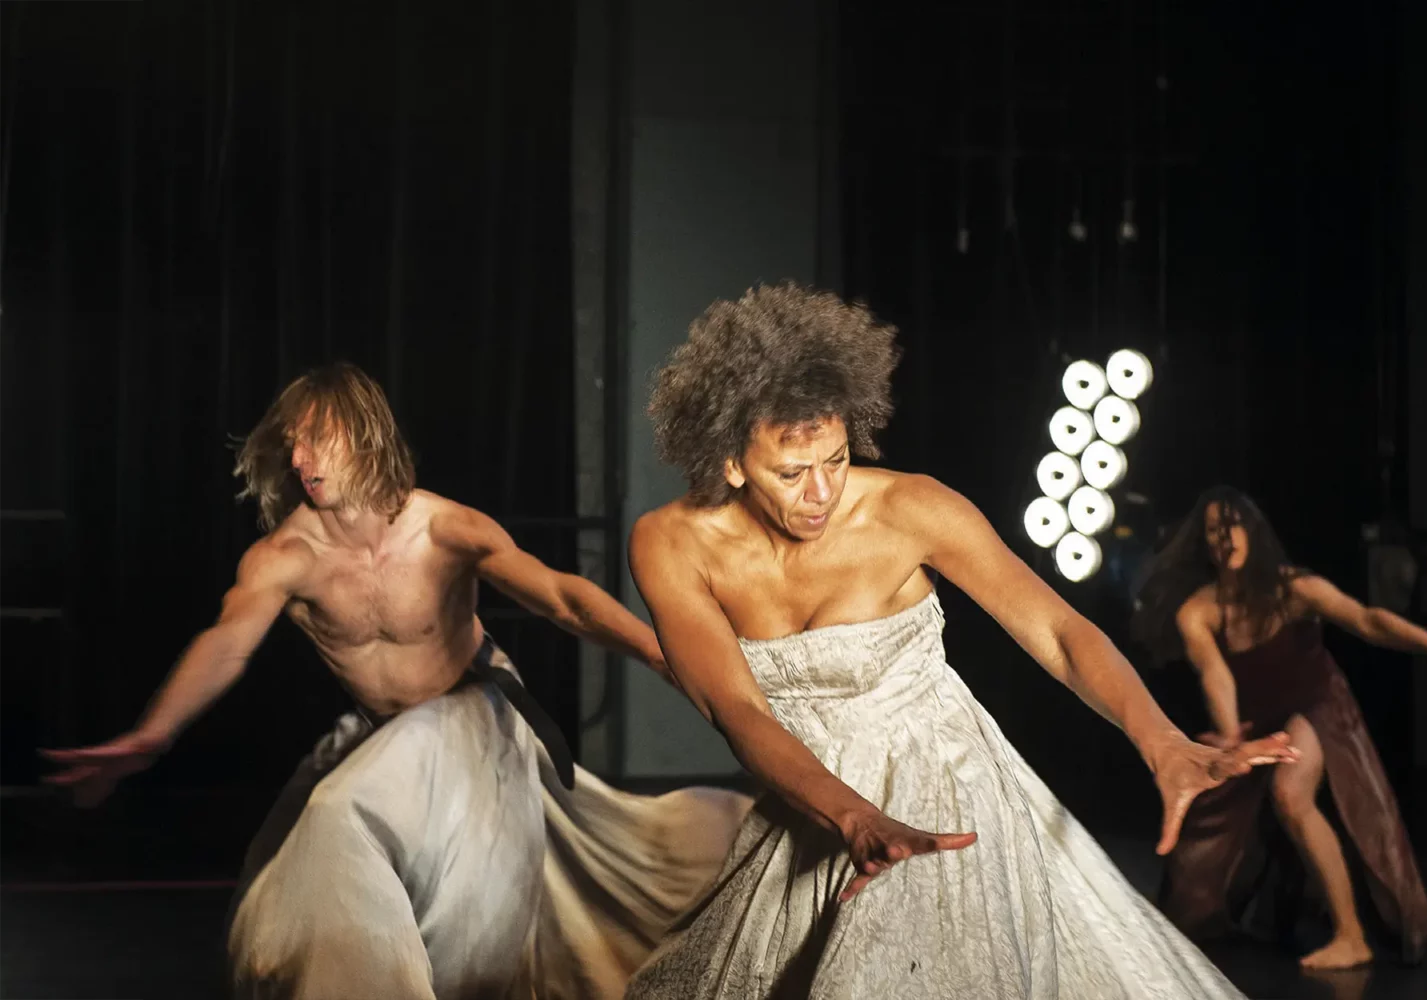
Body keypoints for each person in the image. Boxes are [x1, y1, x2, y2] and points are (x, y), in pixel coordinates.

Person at [620, 282, 1299, 999]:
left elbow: (1062, 633)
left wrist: (1159, 740)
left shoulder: (913, 509)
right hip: (815, 809)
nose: (822, 493)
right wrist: (852, 815)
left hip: (953, 796)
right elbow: (739, 711)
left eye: (838, 458)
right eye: (792, 474)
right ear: (730, 461)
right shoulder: (672, 544)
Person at [41, 362, 753, 1000]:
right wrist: (151, 735)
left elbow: (562, 597)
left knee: (343, 816)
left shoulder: (442, 528)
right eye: (293, 441)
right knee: (288, 884)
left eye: (318, 438)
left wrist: (664, 655)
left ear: (366, 434)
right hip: (392, 737)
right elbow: (226, 643)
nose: (300, 458)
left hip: (474, 713)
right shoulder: (285, 557)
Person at [1131, 486, 1427, 969]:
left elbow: (1368, 620)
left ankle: (1352, 936)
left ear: (1253, 531)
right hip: (1259, 720)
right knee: (1208, 833)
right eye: (1213, 530)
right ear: (1204, 543)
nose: (1224, 537)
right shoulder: (1198, 610)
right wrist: (1233, 737)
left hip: (1317, 703)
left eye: (1233, 524)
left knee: (1290, 791)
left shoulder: (1294, 589)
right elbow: (1214, 673)